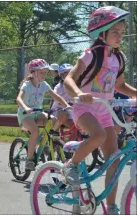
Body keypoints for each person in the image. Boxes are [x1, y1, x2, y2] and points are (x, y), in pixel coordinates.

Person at [63, 6, 137, 214]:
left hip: (105, 110)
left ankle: (111, 207)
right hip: (84, 108)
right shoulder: (90, 55)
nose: (119, 36)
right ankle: (72, 164)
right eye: (115, 32)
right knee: (99, 134)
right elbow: (69, 78)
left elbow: (120, 86)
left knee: (113, 157)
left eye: (122, 33)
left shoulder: (119, 58)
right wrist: (78, 93)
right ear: (101, 33)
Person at [16, 59, 71, 171]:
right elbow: (18, 98)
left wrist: (67, 105)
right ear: (33, 72)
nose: (44, 75)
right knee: (35, 131)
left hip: (38, 113)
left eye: (46, 72)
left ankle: (45, 143)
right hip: (25, 115)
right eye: (42, 72)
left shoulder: (44, 84)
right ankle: (29, 159)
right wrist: (25, 107)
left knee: (53, 120)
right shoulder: (27, 85)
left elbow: (56, 97)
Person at [51, 63, 75, 128]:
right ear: (61, 75)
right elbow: (55, 97)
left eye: (70, 73)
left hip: (73, 110)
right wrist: (65, 104)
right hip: (59, 110)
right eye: (66, 74)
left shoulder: (77, 86)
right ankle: (54, 130)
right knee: (65, 114)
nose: (69, 76)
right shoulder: (59, 87)